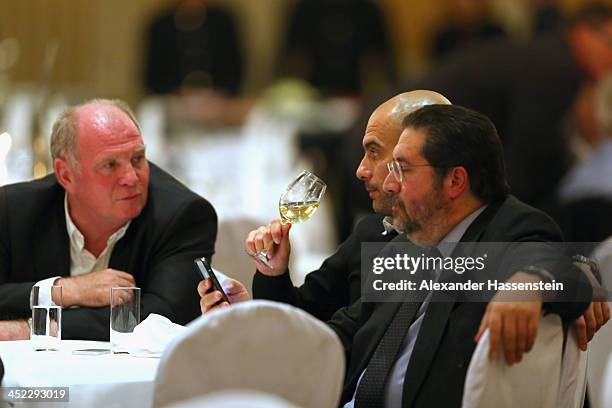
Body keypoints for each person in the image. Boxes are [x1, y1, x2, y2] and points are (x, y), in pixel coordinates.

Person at [331, 104, 594, 407]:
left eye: (402, 169)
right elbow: (347, 330)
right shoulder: (406, 245)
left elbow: (552, 260)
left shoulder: (508, 228)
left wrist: (528, 283)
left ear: (455, 181)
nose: (390, 185)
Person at [199, 90, 451, 320]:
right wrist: (270, 281)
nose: (361, 170)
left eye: (374, 152)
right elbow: (307, 315)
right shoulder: (372, 234)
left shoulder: (477, 250)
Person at [0, 99, 217, 340]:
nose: (131, 178)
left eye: (137, 158)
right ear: (66, 175)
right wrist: (64, 290)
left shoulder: (184, 216)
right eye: (110, 165)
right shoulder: (11, 210)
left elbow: (162, 317)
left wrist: (30, 329)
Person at [418, 2, 612, 217]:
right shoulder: (557, 68)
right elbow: (527, 167)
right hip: (407, 136)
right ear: (582, 34)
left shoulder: (545, 56)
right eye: (610, 44)